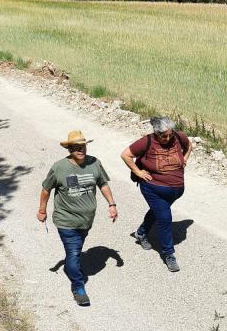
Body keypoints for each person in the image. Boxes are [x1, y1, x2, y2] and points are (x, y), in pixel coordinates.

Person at [38, 130, 117, 306]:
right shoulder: (59, 167)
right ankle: (78, 286)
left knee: (77, 248)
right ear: (69, 149)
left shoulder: (95, 163)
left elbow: (103, 184)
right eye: (76, 147)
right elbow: (46, 189)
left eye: (82, 146)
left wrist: (112, 204)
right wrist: (42, 210)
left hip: (86, 220)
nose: (80, 150)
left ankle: (71, 264)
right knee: (73, 252)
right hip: (66, 220)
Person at [120, 116, 191, 272]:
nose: (167, 138)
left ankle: (141, 233)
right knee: (165, 218)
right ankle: (169, 254)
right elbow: (125, 154)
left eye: (169, 134)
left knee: (158, 212)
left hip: (176, 190)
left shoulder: (179, 137)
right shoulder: (147, 142)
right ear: (156, 133)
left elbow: (189, 145)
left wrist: (184, 159)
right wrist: (137, 171)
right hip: (153, 189)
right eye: (163, 136)